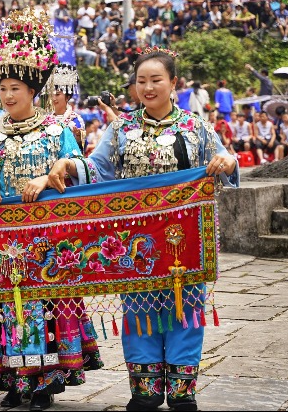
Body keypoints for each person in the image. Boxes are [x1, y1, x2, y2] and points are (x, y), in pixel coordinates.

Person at [50, 48, 238, 412]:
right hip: (134, 241)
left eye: (156, 80)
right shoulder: (121, 128)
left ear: (174, 84)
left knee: (185, 306)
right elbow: (97, 166)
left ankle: (183, 392)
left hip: (184, 239)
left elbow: (225, 163)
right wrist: (67, 165)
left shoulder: (196, 128)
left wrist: (226, 160)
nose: (148, 88)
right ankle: (146, 389)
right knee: (139, 307)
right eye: (141, 82)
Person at [0, 7, 102, 411]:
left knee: (44, 302)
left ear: (33, 90)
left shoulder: (57, 130)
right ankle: (12, 378)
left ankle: (44, 381)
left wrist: (48, 177)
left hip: (46, 237)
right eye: (2, 87)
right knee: (7, 303)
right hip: (1, 234)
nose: (7, 95)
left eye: (16, 88)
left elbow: (82, 167)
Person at [49, 64, 85, 150]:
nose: (54, 98)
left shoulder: (75, 120)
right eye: (52, 94)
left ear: (67, 97)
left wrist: (78, 139)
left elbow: (81, 148)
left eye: (57, 94)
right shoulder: (47, 118)